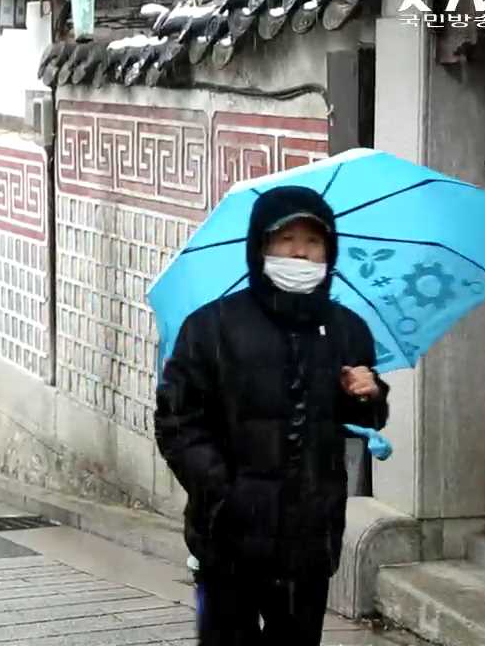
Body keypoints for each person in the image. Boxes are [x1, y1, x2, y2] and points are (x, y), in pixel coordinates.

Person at [154, 185, 390, 646]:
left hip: (309, 542)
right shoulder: (211, 327)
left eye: (313, 241)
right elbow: (177, 422)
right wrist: (224, 492)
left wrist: (369, 395)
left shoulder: (347, 330)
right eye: (286, 239)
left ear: (330, 251)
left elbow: (364, 421)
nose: (300, 253)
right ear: (260, 247)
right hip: (226, 539)